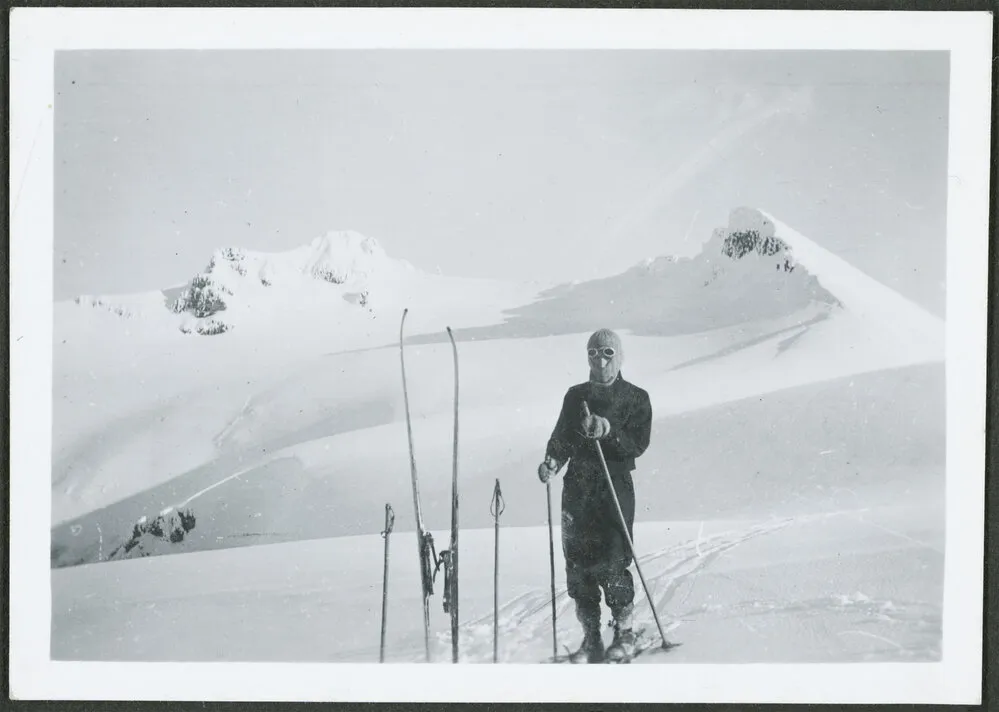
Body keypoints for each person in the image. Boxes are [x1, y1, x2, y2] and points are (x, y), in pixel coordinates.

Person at [537, 328, 653, 663]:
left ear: (619, 356)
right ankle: (591, 638)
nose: (599, 359)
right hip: (578, 488)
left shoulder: (636, 397)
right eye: (593, 352)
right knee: (578, 565)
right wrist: (552, 461)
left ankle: (624, 632)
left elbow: (639, 442)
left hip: (613, 487)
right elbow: (563, 437)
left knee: (614, 559)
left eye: (606, 352)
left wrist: (609, 431)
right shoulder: (575, 397)